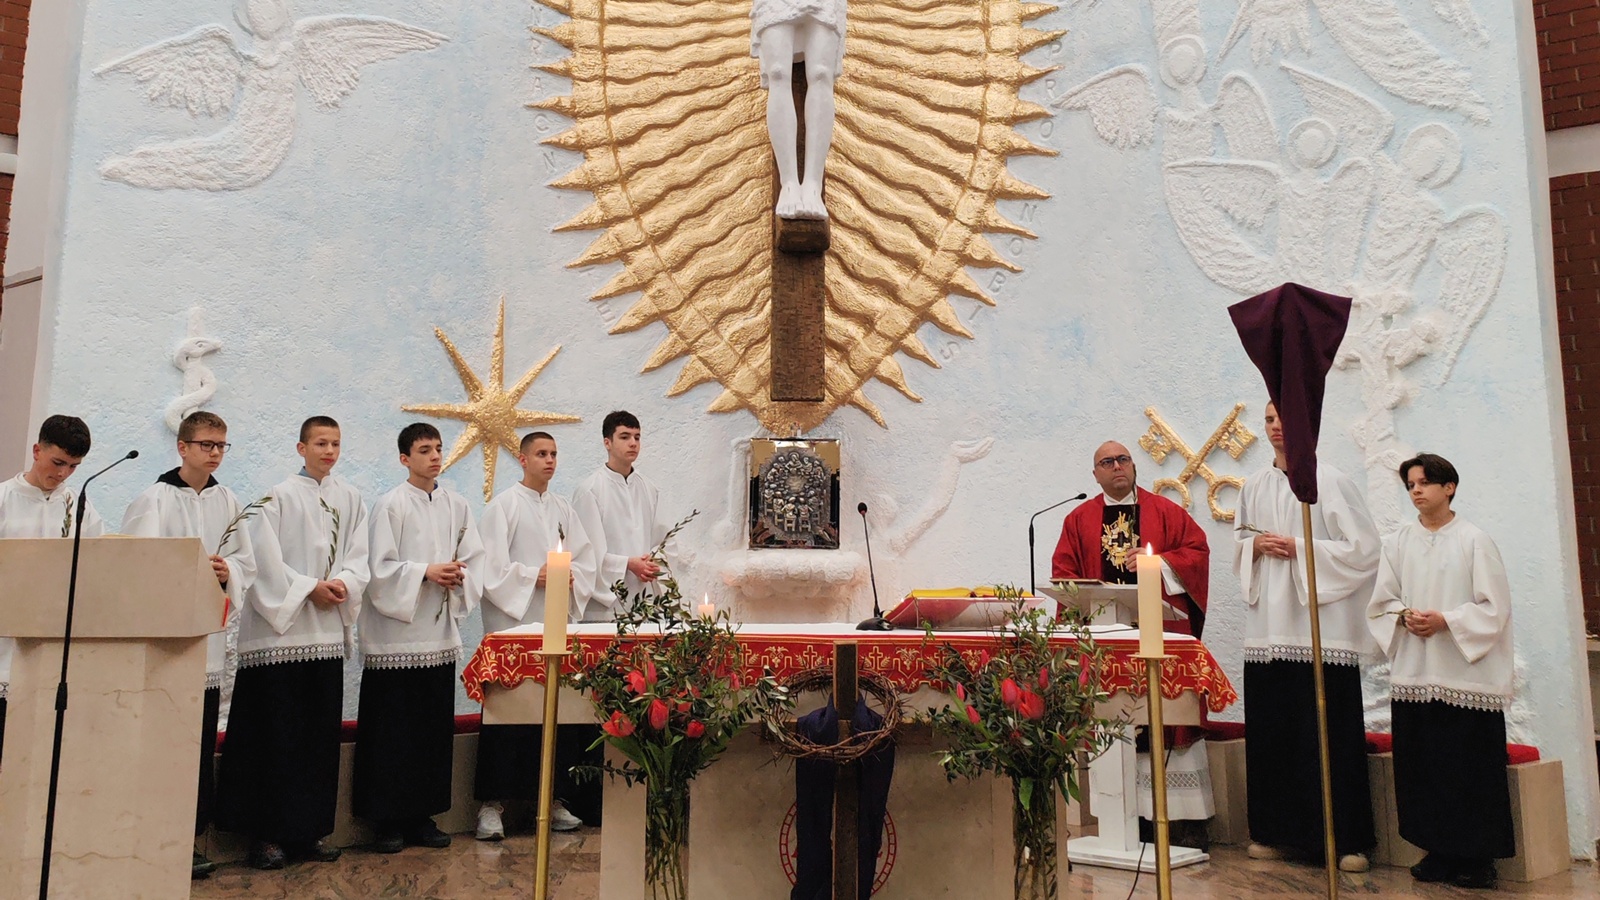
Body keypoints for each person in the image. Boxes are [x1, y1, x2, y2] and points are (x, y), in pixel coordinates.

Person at [216, 416, 370, 869]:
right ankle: (265, 836)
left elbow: (359, 558)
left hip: (324, 635)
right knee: (275, 736)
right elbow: (263, 563)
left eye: (335, 443)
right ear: (301, 448)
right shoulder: (275, 498)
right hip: (278, 638)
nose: (329, 451)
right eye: (320, 443)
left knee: (316, 738)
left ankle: (308, 831)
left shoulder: (350, 498)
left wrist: (342, 584)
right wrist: (308, 588)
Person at [1233, 402, 1378, 871]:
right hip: (1268, 629)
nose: (1276, 426)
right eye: (1269, 419)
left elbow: (1364, 550)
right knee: (1275, 734)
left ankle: (1348, 840)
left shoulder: (1331, 481)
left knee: (1328, 735)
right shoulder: (1253, 485)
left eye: (1284, 417)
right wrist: (1254, 546)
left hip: (1321, 630)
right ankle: (1278, 834)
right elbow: (1239, 542)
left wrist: (1299, 547)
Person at [1051, 440, 1213, 845]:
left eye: (1123, 459)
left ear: (1134, 466)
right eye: (1107, 462)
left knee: (1168, 721)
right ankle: (1124, 823)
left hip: (1159, 637)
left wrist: (1158, 562)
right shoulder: (1079, 519)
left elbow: (1197, 552)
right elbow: (1064, 575)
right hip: (1107, 644)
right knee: (1115, 723)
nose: (1117, 466)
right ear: (1095, 475)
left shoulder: (1164, 511)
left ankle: (1184, 822)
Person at [1368, 453, 1514, 890]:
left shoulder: (1474, 540)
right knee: (1424, 767)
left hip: (1464, 676)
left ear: (1449, 487)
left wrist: (1446, 620)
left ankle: (1478, 858)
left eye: (1425, 482)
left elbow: (1494, 608)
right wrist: (1403, 615)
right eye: (1410, 484)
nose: (1416, 490)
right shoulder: (1398, 542)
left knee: (1469, 767)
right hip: (1416, 672)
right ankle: (1436, 850)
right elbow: (1382, 600)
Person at [122, 410, 255, 879]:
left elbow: (246, 562)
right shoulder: (154, 500)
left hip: (208, 648)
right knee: (162, 746)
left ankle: (190, 839)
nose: (215, 453)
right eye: (206, 445)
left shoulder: (229, 500)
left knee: (196, 748)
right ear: (182, 447)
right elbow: (135, 566)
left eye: (221, 446)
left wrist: (227, 571)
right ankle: (149, 839)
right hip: (167, 647)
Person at [355, 422, 485, 853]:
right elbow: (378, 569)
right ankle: (386, 820)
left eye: (438, 449)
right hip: (396, 635)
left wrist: (459, 574)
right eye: (424, 450)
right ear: (404, 458)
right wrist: (425, 571)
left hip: (437, 633)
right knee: (391, 730)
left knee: (430, 729)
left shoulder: (457, 505)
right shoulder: (390, 505)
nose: (434, 457)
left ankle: (423, 816)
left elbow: (475, 558)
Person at [474, 431, 599, 839]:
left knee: (556, 715)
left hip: (555, 625)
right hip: (515, 628)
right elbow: (489, 568)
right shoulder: (503, 507)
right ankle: (491, 806)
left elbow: (586, 561)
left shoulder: (563, 509)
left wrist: (570, 576)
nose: (549, 460)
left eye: (554, 454)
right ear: (523, 459)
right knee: (508, 717)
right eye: (541, 454)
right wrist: (533, 577)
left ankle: (553, 800)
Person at [0, 415, 106, 766]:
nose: (63, 474)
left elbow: (94, 567)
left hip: (53, 644)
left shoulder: (79, 507)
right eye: (58, 462)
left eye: (73, 467)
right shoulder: (4, 499)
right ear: (37, 450)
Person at [571, 411, 670, 620]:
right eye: (625, 437)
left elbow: (666, 541)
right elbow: (585, 554)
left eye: (637, 437)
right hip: (606, 606)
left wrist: (653, 560)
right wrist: (627, 564)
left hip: (645, 598)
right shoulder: (590, 491)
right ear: (607, 442)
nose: (633, 443)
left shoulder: (649, 488)